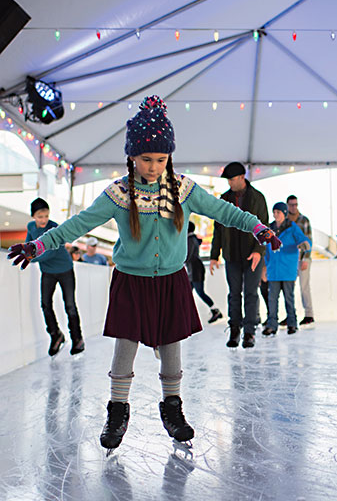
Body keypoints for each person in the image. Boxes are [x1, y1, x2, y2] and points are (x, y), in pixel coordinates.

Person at [7, 96, 281, 453]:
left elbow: (223, 211)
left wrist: (258, 227)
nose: (153, 167)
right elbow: (78, 223)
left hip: (171, 279)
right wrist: (39, 245)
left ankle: (173, 408)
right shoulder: (119, 193)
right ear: (132, 156)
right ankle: (118, 410)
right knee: (126, 344)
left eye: (161, 159)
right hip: (132, 280)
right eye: (146, 159)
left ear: (170, 157)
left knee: (171, 345)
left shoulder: (183, 189)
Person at [209, 162, 269, 349]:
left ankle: (249, 332)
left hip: (252, 255)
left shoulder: (258, 198)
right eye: (228, 180)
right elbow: (217, 229)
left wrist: (259, 252)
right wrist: (214, 255)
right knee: (234, 294)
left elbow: (264, 227)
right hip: (231, 255)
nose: (230, 183)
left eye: (232, 179)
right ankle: (235, 329)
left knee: (251, 293)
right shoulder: (224, 198)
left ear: (242, 178)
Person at [25, 197, 84, 356]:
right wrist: (24, 254)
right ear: (33, 217)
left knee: (70, 305)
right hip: (48, 272)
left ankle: (77, 339)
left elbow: (49, 253)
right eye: (40, 217)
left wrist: (30, 259)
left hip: (64, 269)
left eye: (46, 216)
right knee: (45, 304)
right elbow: (29, 247)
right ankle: (56, 335)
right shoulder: (31, 227)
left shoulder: (54, 228)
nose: (44, 220)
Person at [261, 202, 311, 336]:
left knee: (289, 298)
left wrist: (305, 245)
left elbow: (303, 240)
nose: (275, 215)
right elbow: (265, 248)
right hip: (273, 269)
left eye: (278, 212)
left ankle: (292, 324)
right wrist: (264, 267)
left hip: (288, 268)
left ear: (284, 213)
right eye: (274, 212)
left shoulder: (292, 227)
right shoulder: (269, 229)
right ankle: (272, 325)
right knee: (272, 299)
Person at [286, 195, 315, 325]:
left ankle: (309, 315)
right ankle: (290, 315)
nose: (294, 207)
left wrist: (305, 259)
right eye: (291, 204)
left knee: (304, 287)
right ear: (287, 205)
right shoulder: (285, 221)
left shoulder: (304, 220)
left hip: (303, 259)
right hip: (289, 259)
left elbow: (309, 241)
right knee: (288, 288)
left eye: (295, 204)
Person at [186, 221, 222, 323]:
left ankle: (215, 310)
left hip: (195, 270)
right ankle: (188, 315)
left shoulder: (190, 239)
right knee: (188, 293)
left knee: (199, 292)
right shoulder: (191, 239)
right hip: (193, 269)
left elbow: (187, 256)